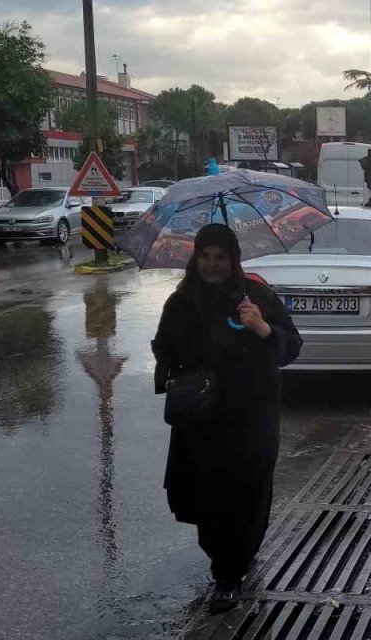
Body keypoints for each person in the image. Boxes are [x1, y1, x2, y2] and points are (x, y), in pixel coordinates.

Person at [152, 223, 303, 613]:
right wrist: (175, 371)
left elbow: (291, 347)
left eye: (221, 257)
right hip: (202, 419)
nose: (212, 265)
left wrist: (263, 328)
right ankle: (225, 564)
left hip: (251, 417)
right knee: (208, 495)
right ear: (195, 259)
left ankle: (229, 573)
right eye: (205, 256)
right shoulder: (181, 301)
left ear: (233, 260)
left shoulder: (258, 296)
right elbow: (163, 346)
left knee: (247, 494)